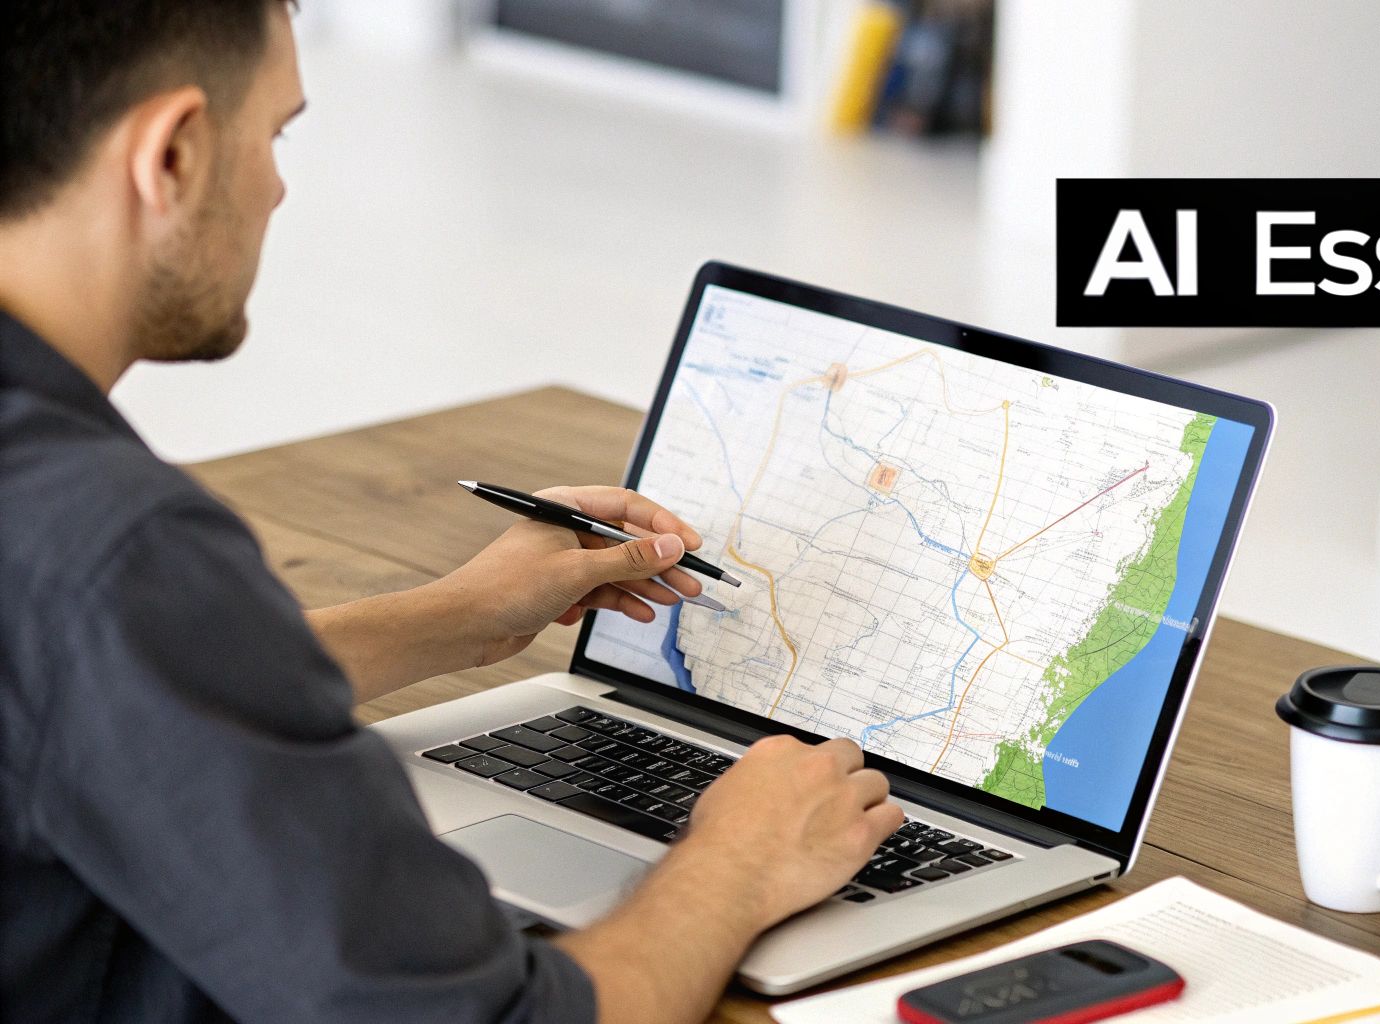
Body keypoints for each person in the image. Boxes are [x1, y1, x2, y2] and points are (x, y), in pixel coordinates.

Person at [0, 3, 904, 1021]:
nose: (278, 185)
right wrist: (738, 860)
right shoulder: (112, 548)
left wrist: (459, 615)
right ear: (169, 156)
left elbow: (93, 694)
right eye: (274, 134)